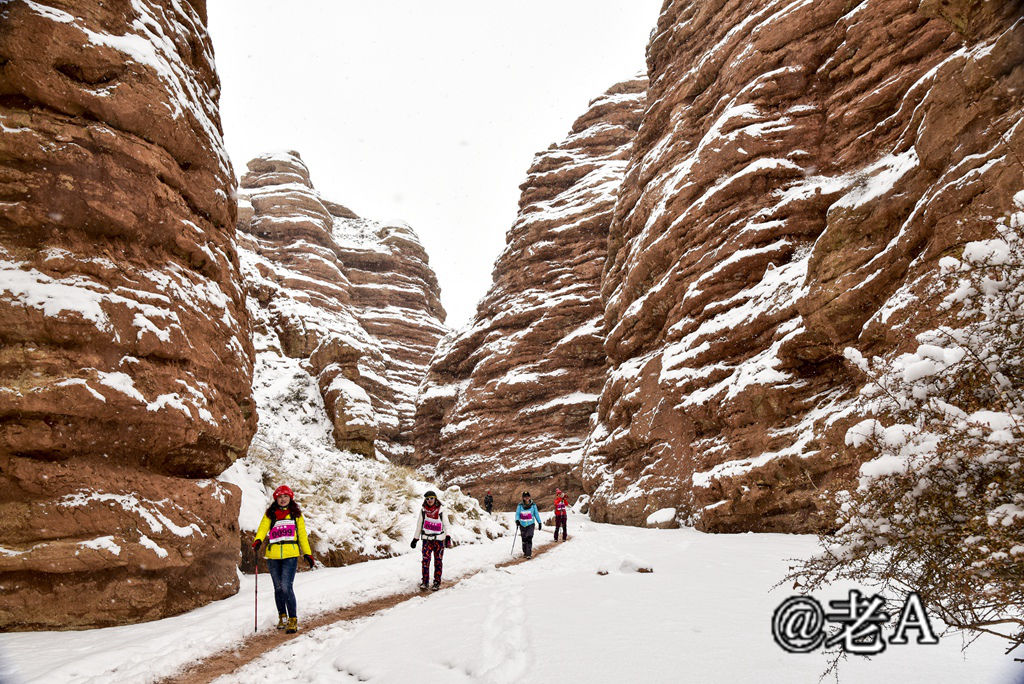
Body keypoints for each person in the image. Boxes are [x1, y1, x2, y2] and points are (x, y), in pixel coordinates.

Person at [251, 485, 315, 634]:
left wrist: (308, 553)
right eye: (280, 497)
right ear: (276, 499)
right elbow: (262, 529)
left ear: (290, 498)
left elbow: (302, 536)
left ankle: (293, 619)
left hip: (290, 555)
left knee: (286, 587)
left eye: (285, 496)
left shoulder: (296, 515)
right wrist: (258, 540)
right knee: (278, 589)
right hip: (273, 556)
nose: (283, 499)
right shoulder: (270, 514)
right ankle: (282, 616)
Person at [411, 490, 451, 591]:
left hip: (439, 540)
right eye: (427, 499)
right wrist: (415, 539)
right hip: (427, 539)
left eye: (431, 498)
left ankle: (437, 582)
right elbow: (419, 525)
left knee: (438, 561)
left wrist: (448, 537)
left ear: (435, 498)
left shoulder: (441, 510)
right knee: (425, 561)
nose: (429, 500)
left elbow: (446, 525)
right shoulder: (423, 511)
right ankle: (425, 582)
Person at [515, 491, 541, 558]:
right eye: (525, 497)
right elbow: (517, 514)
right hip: (522, 524)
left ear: (530, 497)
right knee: (524, 539)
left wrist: (539, 522)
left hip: (530, 524)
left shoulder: (533, 505)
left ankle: (528, 553)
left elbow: (536, 514)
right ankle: (525, 552)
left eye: (528, 496)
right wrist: (517, 520)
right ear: (523, 498)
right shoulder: (520, 505)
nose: (526, 498)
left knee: (529, 537)